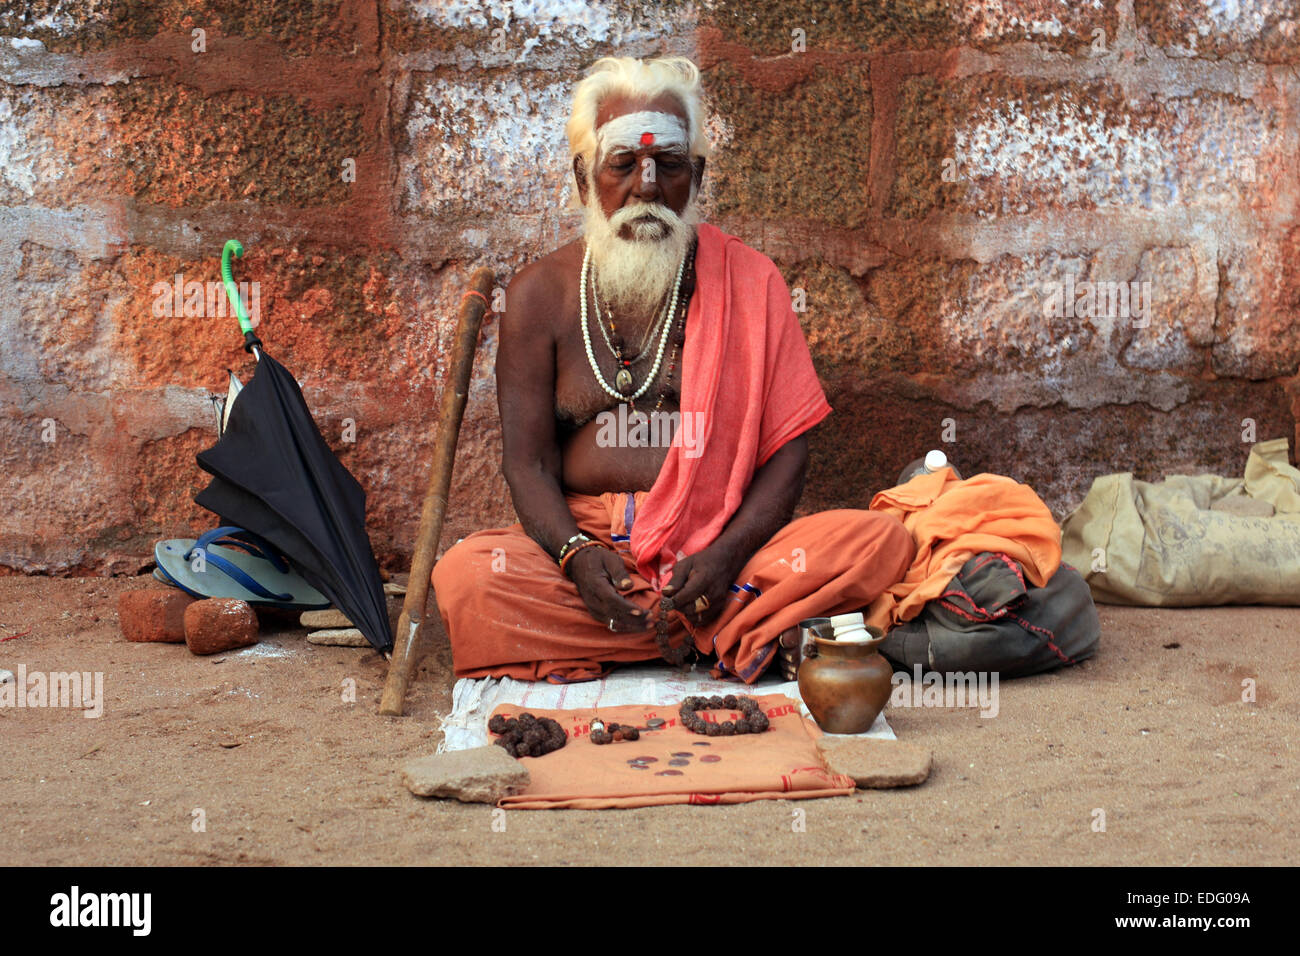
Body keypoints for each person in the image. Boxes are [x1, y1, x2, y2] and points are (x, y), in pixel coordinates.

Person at [433, 55, 913, 684]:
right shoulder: (538, 295)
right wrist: (576, 558)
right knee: (469, 576)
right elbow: (528, 463)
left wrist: (724, 555)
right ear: (585, 180)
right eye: (624, 164)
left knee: (878, 544)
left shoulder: (752, 281)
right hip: (595, 549)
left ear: (698, 176)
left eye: (670, 165)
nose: (649, 186)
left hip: (723, 548)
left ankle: (662, 626)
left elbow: (790, 455)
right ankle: (733, 630)